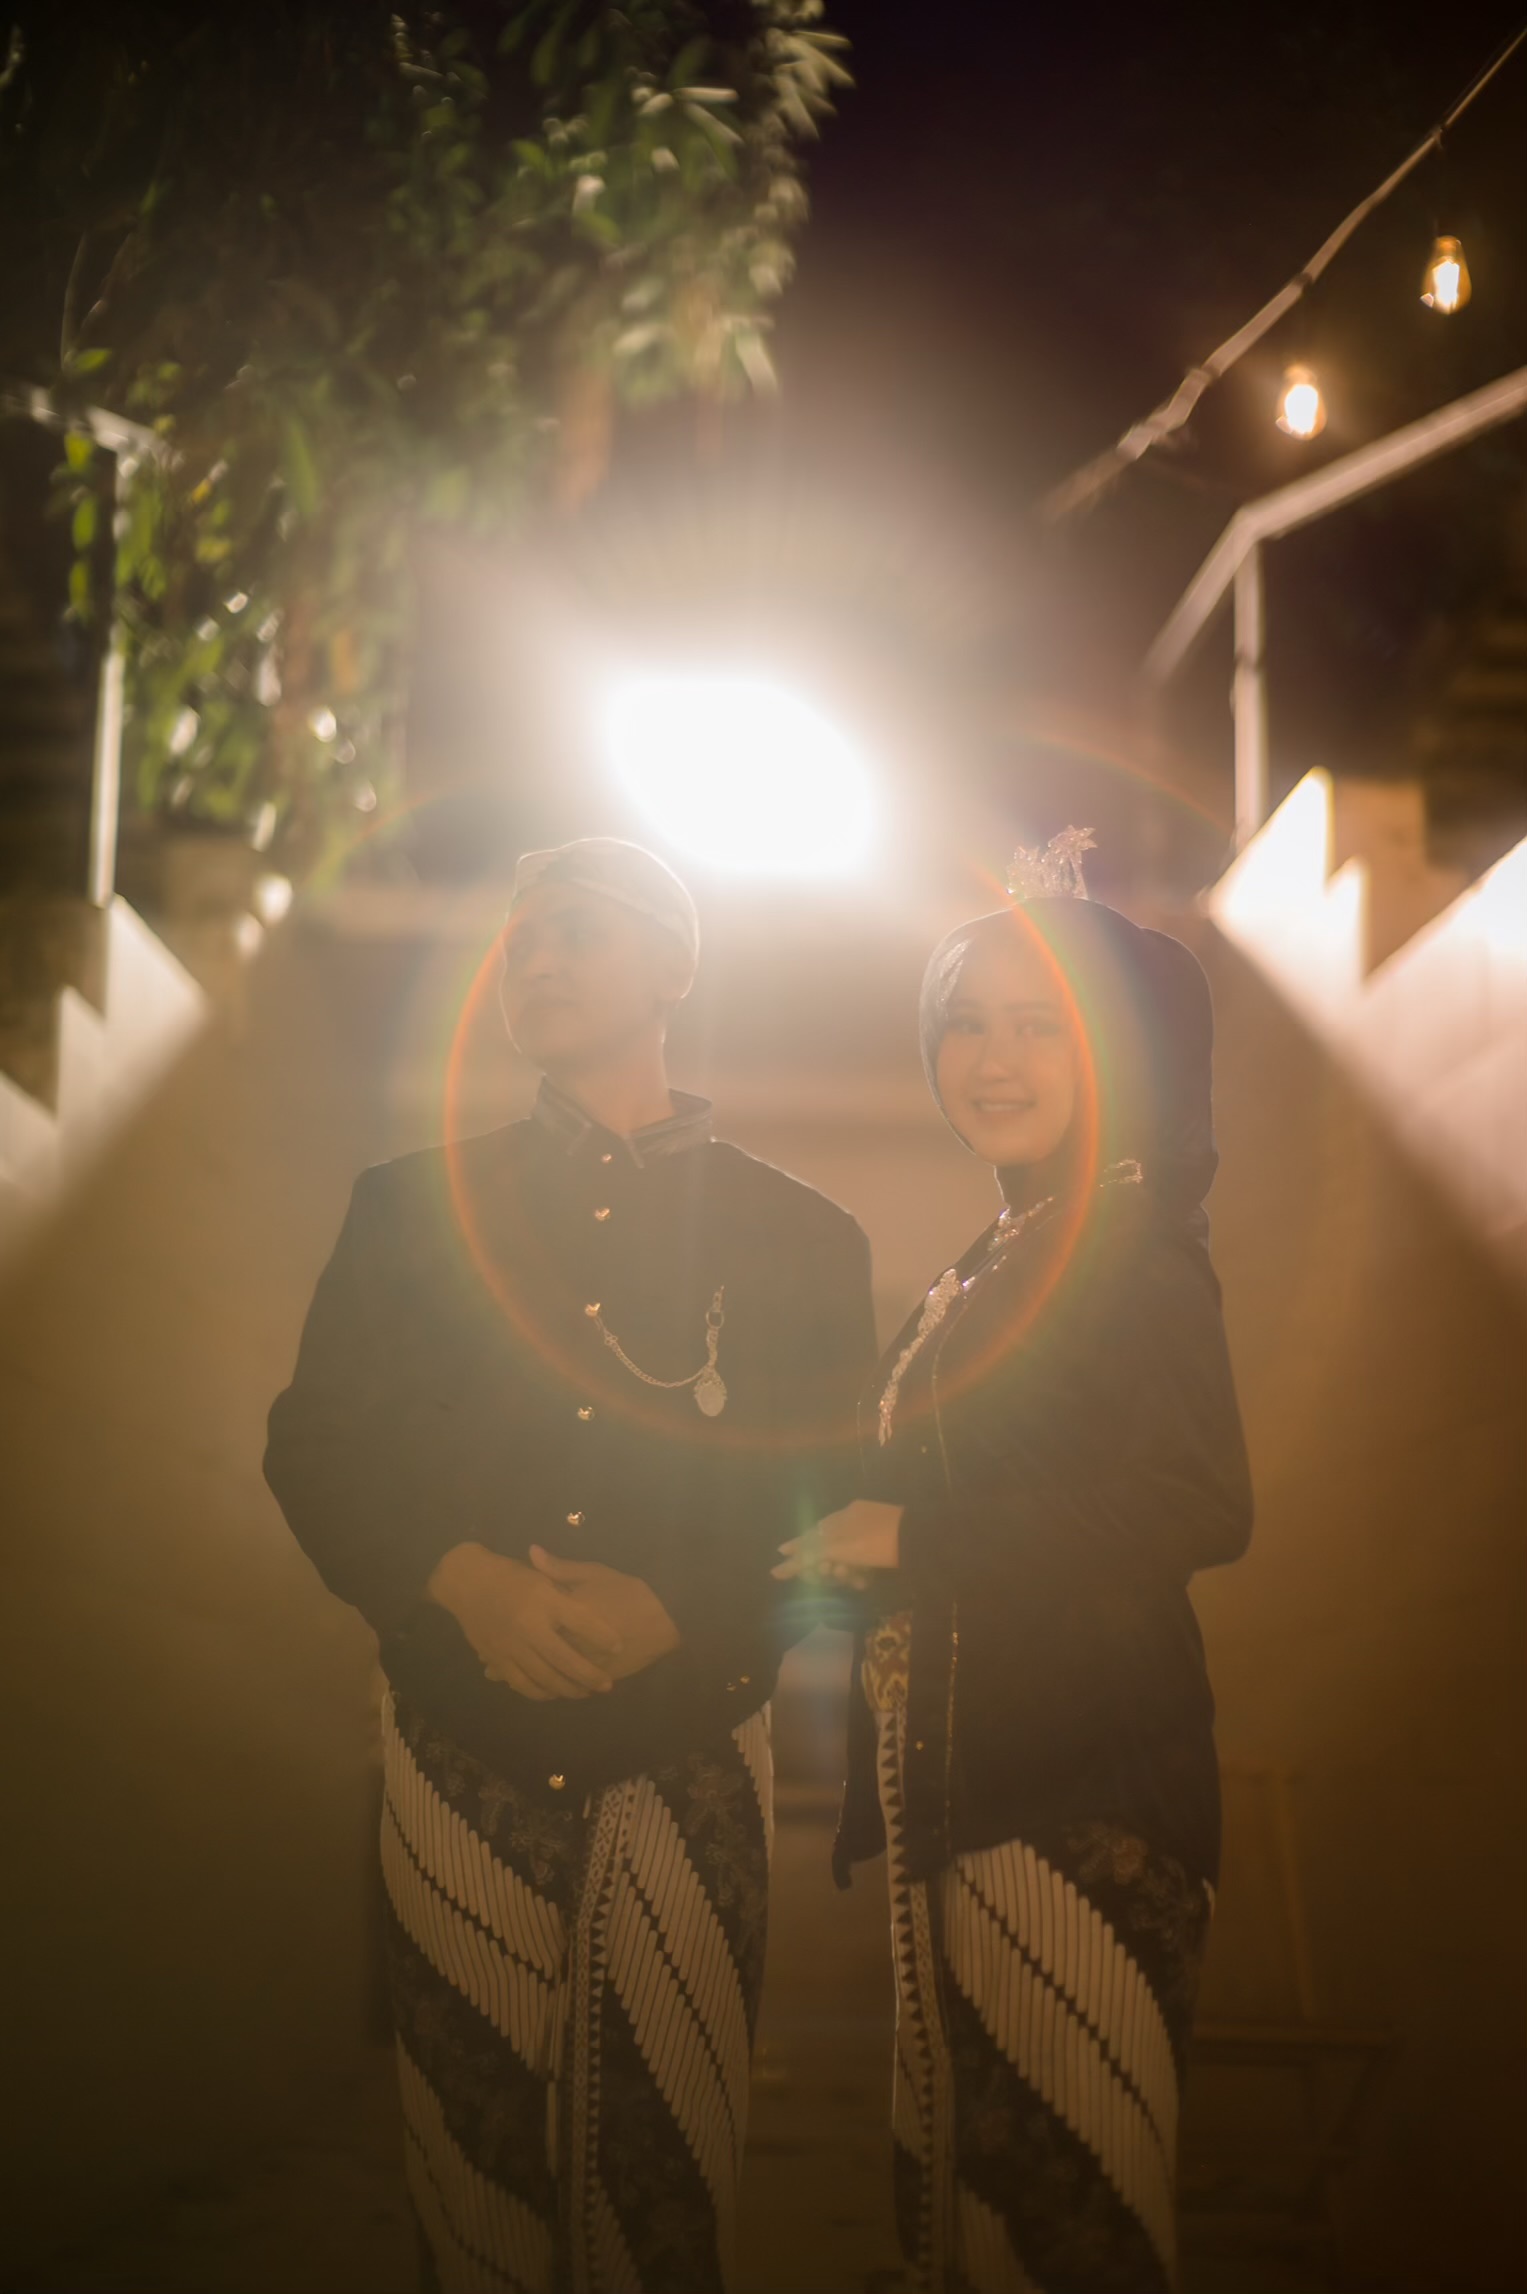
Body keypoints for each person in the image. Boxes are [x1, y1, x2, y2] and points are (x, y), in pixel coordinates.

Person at [265, 838, 875, 2294]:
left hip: (692, 1749)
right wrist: (459, 1580)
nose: (535, 958)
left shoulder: (802, 1235)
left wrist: (687, 1611)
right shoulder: (408, 1206)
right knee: (467, 2176)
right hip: (454, 1746)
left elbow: (840, 1504)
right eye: (519, 938)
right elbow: (316, 1447)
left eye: (578, 932)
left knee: (668, 2188)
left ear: (674, 967)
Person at [778, 831, 1253, 2294]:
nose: (994, 1057)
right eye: (967, 1023)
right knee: (965, 2218)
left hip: (1082, 1802)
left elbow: (1196, 1504)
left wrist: (914, 1538)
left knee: (1066, 2228)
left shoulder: (1129, 1246)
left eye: (1041, 1023)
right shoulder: (998, 1255)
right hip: (963, 1796)